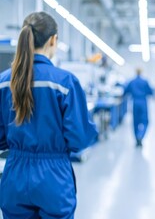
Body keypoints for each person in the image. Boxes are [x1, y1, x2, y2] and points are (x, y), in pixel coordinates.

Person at [0, 12, 98, 218]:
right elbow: (79, 139)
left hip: (14, 175)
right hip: (53, 177)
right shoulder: (65, 82)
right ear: (53, 40)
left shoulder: (4, 82)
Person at [124, 68, 153, 147]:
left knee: (135, 122)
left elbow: (126, 91)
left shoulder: (132, 81)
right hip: (143, 102)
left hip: (135, 103)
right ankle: (141, 136)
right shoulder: (145, 81)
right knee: (145, 121)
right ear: (141, 72)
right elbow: (150, 92)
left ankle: (137, 138)